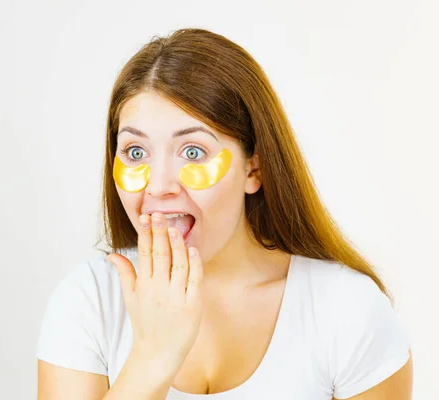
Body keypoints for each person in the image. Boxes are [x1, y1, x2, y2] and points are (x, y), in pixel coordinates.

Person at [35, 28, 413, 399]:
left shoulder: (347, 311)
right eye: (136, 152)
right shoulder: (89, 301)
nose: (158, 185)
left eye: (193, 152)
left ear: (254, 169)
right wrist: (152, 359)